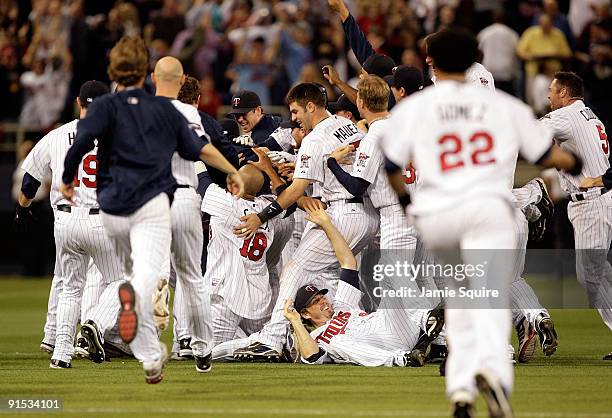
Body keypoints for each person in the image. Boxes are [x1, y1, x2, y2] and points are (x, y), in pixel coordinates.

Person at [381, 28, 582, 418]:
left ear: (432, 63)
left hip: (440, 213)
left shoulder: (416, 107)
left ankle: (459, 391)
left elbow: (391, 164)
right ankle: (493, 373)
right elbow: (547, 156)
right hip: (489, 209)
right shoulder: (504, 106)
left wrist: (407, 203)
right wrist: (573, 163)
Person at [60, 36, 244, 384]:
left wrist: (68, 178)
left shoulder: (105, 107)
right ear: (147, 73)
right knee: (191, 277)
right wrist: (233, 171)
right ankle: (199, 348)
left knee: (138, 273)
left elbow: (83, 141)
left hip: (120, 204)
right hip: (177, 198)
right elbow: (199, 149)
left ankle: (125, 331)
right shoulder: (171, 111)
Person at [232, 82, 379, 361]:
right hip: (368, 213)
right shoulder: (348, 125)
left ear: (311, 106)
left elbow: (297, 190)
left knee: (295, 269)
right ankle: (352, 332)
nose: (294, 118)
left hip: (342, 213)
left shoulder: (314, 138)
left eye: (296, 111)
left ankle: (273, 338)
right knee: (340, 277)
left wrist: (261, 216)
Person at [15, 80, 118, 370]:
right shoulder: (116, 136)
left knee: (71, 287)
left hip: (65, 219)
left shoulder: (58, 135)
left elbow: (29, 181)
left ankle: (61, 352)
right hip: (101, 220)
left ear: (78, 101)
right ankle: (94, 323)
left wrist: (22, 209)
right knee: (123, 281)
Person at [283, 207, 443, 367]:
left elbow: (348, 262)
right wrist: (295, 321)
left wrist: (327, 224)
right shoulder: (316, 337)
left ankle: (425, 319)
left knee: (388, 265)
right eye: (315, 301)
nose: (323, 301)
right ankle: (402, 359)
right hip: (381, 349)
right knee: (337, 341)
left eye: (321, 296)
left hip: (395, 325)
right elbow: (312, 357)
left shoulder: (341, 306)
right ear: (305, 313)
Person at [541, 71, 612, 360]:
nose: (548, 96)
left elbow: (527, 133)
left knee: (589, 275)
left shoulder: (566, 115)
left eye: (551, 90)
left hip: (592, 204)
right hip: (598, 199)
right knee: (600, 270)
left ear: (564, 93)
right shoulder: (590, 115)